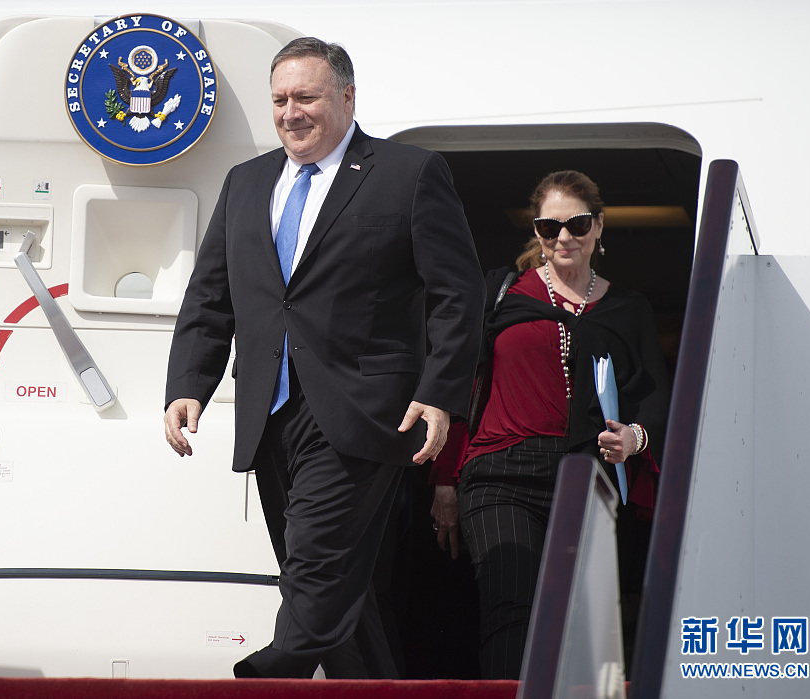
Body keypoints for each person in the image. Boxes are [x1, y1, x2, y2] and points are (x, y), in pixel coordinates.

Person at [163, 37, 484, 679]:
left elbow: (459, 291)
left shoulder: (408, 173)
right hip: (270, 410)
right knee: (337, 586)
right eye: (279, 99)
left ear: (347, 97)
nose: (290, 113)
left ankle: (266, 676)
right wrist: (189, 382)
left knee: (315, 564)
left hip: (364, 409)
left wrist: (440, 390)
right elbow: (211, 293)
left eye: (305, 97)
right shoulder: (246, 181)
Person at [430, 170, 669, 679]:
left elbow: (654, 400)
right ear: (536, 231)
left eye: (577, 224)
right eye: (548, 226)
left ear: (598, 226)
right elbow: (460, 383)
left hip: (586, 477)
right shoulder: (501, 291)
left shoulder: (628, 308)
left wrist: (633, 438)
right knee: (511, 608)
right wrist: (444, 480)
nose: (564, 237)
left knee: (579, 620)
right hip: (498, 473)